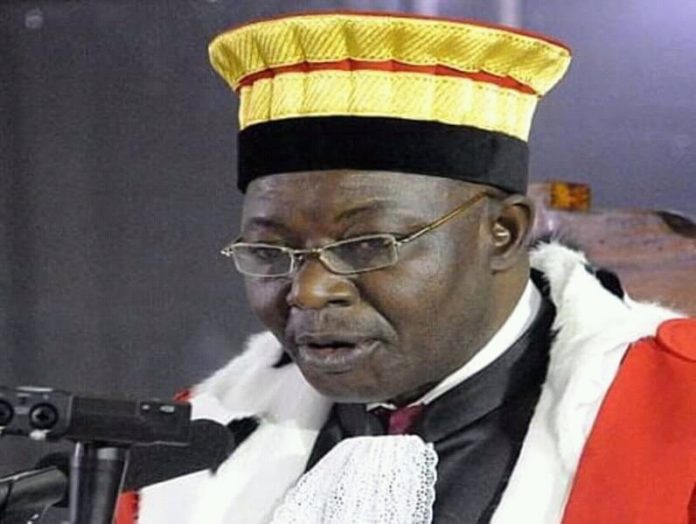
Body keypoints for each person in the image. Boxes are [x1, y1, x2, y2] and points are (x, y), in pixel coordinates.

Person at [117, 11, 695, 524]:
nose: (310, 291)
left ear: (504, 232)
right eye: (270, 253)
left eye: (367, 245)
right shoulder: (192, 450)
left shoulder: (678, 408)